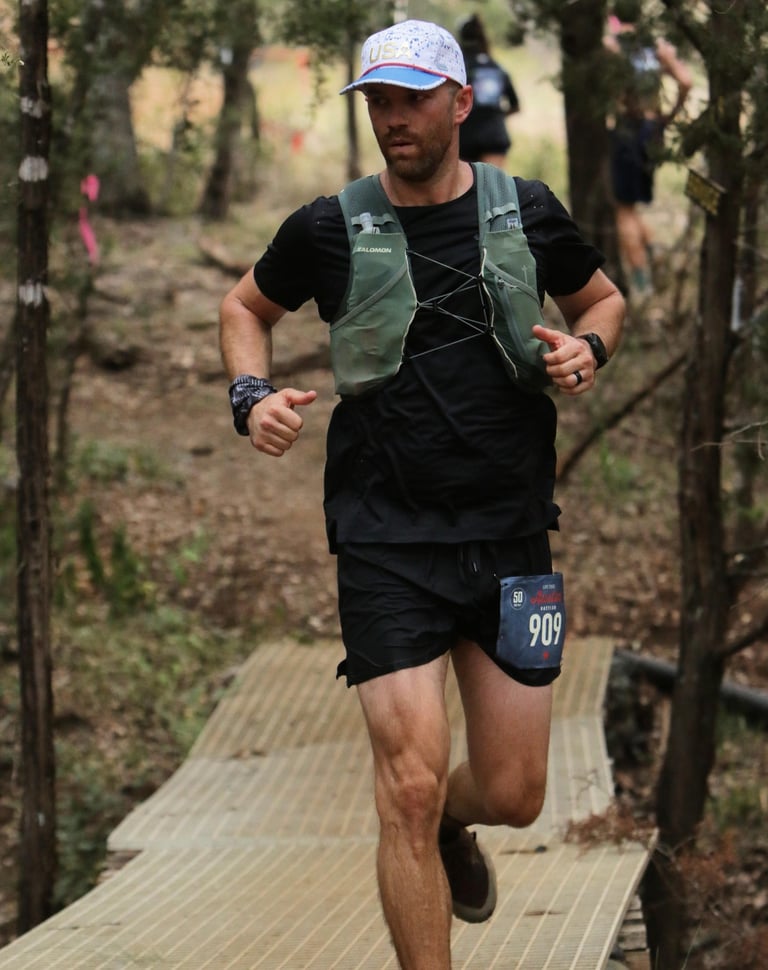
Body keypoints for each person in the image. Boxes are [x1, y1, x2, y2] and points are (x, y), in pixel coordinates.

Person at [219, 19, 624, 970]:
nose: (392, 121)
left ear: (459, 102)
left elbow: (601, 299)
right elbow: (245, 307)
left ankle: (454, 821)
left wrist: (588, 348)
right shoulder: (328, 225)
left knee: (516, 791)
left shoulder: (526, 209)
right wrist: (250, 396)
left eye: (409, 100)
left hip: (513, 535)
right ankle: (426, 837)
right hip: (384, 538)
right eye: (377, 103)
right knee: (403, 786)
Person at [604, 0, 692, 296]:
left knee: (624, 210)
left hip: (628, 128)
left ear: (614, 16)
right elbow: (686, 80)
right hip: (653, 132)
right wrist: (668, 116)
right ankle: (651, 249)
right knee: (634, 204)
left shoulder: (612, 46)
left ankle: (642, 286)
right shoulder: (657, 47)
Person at [456, 13, 520, 168]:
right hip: (494, 136)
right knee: (493, 189)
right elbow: (515, 105)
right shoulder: (497, 68)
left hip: (465, 137)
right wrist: (494, 115)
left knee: (465, 190)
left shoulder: (459, 69)